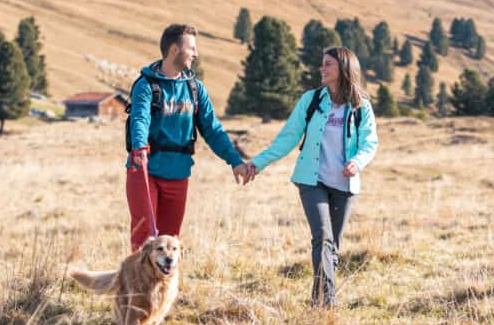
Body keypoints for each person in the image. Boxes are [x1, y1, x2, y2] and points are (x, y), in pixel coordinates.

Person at [245, 46, 378, 308]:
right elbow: (288, 138)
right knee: (323, 238)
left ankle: (319, 299)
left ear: (343, 68)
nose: (322, 68)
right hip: (311, 180)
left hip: (345, 184)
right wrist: (258, 163)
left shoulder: (361, 106)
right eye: (322, 64)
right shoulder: (311, 100)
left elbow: (369, 143)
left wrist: (357, 162)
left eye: (328, 64)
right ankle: (326, 304)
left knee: (332, 247)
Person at [126, 23, 251, 251]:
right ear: (175, 50)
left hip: (179, 173)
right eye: (192, 48)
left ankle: (165, 287)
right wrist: (139, 147)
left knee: (170, 243)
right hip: (145, 170)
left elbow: (213, 129)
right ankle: (138, 286)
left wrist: (235, 161)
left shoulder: (195, 89)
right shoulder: (146, 86)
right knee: (145, 240)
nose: (196, 54)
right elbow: (140, 119)